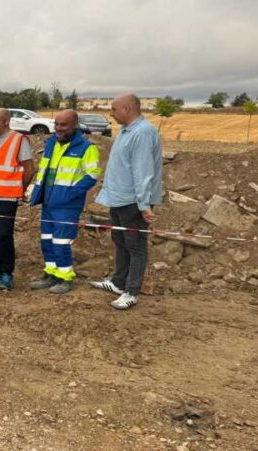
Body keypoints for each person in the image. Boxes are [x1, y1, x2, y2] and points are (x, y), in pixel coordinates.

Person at [90, 93, 163, 310]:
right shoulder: (126, 131)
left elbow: (143, 172)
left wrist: (144, 205)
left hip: (133, 201)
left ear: (127, 109)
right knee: (120, 240)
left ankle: (131, 291)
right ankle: (118, 282)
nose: (110, 114)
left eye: (114, 109)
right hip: (119, 198)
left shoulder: (142, 133)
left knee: (136, 245)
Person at [28, 110, 101, 294]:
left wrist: (69, 193)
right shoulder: (51, 143)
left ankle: (65, 278)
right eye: (56, 124)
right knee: (47, 241)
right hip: (48, 202)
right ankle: (51, 274)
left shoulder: (86, 148)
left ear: (75, 125)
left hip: (67, 205)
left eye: (63, 125)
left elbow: (91, 176)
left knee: (61, 242)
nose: (59, 128)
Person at [0, 108, 36, 291]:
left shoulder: (19, 140)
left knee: (4, 234)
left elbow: (29, 169)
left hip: (7, 197)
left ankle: (7, 273)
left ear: (6, 122)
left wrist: (20, 190)